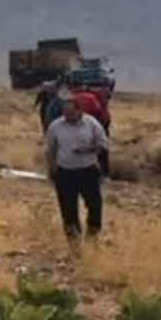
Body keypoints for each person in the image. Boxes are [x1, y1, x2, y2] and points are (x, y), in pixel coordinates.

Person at [45, 93, 110, 242]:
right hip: (65, 173)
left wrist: (88, 149)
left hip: (88, 171)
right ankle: (74, 244)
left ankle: (92, 238)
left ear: (80, 111)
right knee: (68, 210)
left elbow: (103, 144)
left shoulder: (91, 123)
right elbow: (50, 149)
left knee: (95, 206)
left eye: (71, 113)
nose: (67, 116)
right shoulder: (56, 126)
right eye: (65, 113)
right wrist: (52, 169)